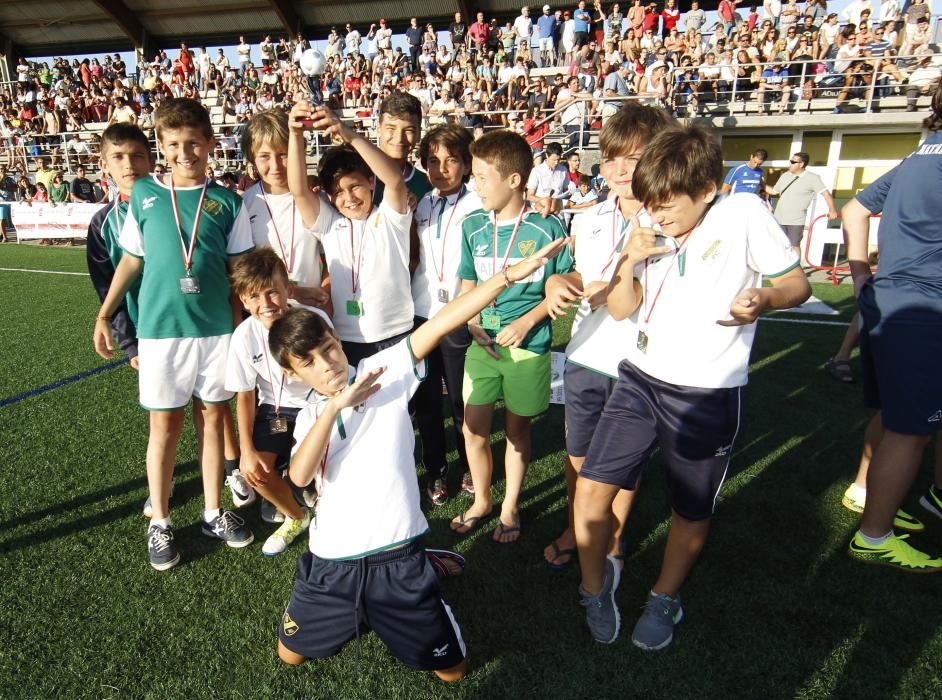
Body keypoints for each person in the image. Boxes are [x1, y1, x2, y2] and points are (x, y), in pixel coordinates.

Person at [270, 234, 567, 677]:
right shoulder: (312, 414)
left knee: (453, 672)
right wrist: (333, 408)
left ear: (336, 338)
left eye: (328, 349)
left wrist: (506, 277)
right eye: (308, 362)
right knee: (288, 655)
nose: (326, 364)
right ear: (294, 373)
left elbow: (444, 320)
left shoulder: (382, 371)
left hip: (395, 559)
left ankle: (421, 565)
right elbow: (298, 476)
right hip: (332, 561)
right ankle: (377, 594)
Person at [574, 123, 810, 649]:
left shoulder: (744, 214)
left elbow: (797, 283)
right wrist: (631, 258)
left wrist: (765, 300)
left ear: (707, 190)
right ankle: (595, 588)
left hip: (706, 393)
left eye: (669, 206)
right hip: (638, 377)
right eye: (651, 203)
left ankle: (664, 597)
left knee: (690, 510)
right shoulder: (644, 218)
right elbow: (620, 307)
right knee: (591, 491)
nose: (657, 216)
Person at [92, 98, 256, 571]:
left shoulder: (228, 201)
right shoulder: (144, 193)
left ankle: (210, 512)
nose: (186, 152)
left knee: (211, 420)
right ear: (162, 148)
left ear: (210, 143)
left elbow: (238, 271)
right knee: (164, 427)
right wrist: (105, 314)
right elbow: (131, 261)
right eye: (174, 144)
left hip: (215, 332)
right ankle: (160, 521)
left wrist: (250, 327)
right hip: (161, 334)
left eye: (194, 143)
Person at [543, 102, 672, 571]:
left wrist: (614, 287)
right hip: (584, 353)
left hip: (640, 363)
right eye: (611, 157)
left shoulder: (670, 221)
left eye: (632, 159)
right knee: (577, 454)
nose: (619, 169)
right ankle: (577, 530)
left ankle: (613, 536)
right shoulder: (590, 216)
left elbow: (643, 295)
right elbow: (578, 274)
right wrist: (560, 282)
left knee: (624, 463)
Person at [449, 130, 574, 544]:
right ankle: (483, 500)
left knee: (518, 431)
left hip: (529, 347)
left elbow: (567, 281)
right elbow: (466, 283)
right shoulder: (472, 226)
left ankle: (510, 505)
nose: (475, 185)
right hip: (480, 346)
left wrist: (530, 321)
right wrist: (470, 323)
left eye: (483, 177)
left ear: (515, 180)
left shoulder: (545, 227)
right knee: (473, 429)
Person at [843, 83, 942, 573]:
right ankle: (874, 535)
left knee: (894, 412)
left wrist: (862, 272)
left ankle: (865, 491)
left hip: (891, 303)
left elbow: (854, 209)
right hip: (924, 309)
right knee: (912, 430)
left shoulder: (919, 156)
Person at [287, 101, 414, 368]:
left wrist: (348, 134)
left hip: (396, 333)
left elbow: (395, 181)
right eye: (338, 192)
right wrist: (295, 133)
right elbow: (298, 190)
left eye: (355, 186)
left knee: (402, 409)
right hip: (346, 336)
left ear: (371, 182)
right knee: (358, 407)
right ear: (329, 196)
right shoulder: (330, 224)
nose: (349, 198)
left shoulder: (391, 216)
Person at [224, 249, 324, 555]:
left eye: (273, 293)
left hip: (316, 404)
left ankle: (318, 495)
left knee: (329, 464)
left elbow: (335, 372)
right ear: (242, 300)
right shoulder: (243, 336)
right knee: (255, 472)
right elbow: (244, 395)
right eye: (254, 296)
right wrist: (246, 451)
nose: (265, 304)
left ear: (288, 291)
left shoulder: (313, 320)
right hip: (275, 409)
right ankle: (297, 516)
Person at [411, 124, 482, 505]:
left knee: (460, 399)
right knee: (426, 401)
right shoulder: (422, 203)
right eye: (433, 161)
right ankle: (436, 471)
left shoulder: (479, 205)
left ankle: (470, 464)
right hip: (422, 314)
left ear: (467, 164)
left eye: (451, 160)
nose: (441, 168)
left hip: (458, 314)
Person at [240, 109, 330, 312]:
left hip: (311, 314)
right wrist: (293, 292)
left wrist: (325, 301)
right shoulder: (244, 205)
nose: (276, 166)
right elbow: (242, 273)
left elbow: (334, 261)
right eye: (264, 156)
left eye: (283, 154)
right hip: (265, 315)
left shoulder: (316, 201)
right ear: (252, 158)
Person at [86, 124, 153, 374]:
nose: (128, 165)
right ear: (104, 165)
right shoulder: (102, 224)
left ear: (151, 161)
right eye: (118, 157)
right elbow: (106, 287)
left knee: (213, 408)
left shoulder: (176, 205)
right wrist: (129, 342)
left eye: (137, 155)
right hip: (146, 332)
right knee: (164, 413)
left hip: (200, 325)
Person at [769, 151, 838, 249]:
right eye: (790, 161)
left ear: (801, 164)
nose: (790, 164)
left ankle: (796, 265)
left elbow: (826, 194)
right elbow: (773, 191)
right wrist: (759, 182)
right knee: (778, 245)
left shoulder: (813, 178)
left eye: (793, 162)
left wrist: (832, 210)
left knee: (794, 246)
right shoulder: (785, 176)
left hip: (796, 221)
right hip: (779, 219)